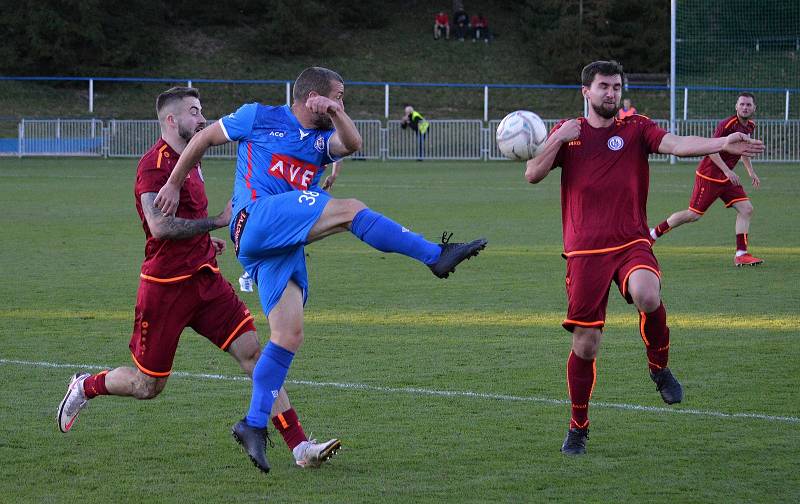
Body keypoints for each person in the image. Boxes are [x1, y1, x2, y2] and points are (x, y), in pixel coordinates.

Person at [153, 67, 487, 474]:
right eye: (338, 97)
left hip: (279, 244)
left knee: (288, 335)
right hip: (252, 219)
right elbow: (205, 138)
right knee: (351, 210)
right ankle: (435, 255)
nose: (341, 104)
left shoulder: (320, 142)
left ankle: (254, 424)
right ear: (311, 96)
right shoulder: (259, 116)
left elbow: (353, 142)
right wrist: (172, 182)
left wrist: (338, 113)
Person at [56, 86, 341, 470]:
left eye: (202, 109)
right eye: (194, 111)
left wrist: (322, 154)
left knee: (254, 354)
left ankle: (299, 447)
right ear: (171, 120)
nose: (202, 118)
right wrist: (216, 222)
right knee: (148, 385)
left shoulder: (191, 160)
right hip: (165, 288)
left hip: (205, 279)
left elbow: (266, 145)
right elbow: (158, 227)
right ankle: (86, 385)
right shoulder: (154, 165)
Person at [523, 61, 764, 456]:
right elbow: (532, 174)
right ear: (586, 91)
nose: (611, 93)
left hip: (631, 241)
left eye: (616, 87)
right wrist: (557, 139)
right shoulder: (568, 134)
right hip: (584, 252)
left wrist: (720, 143)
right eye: (603, 86)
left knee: (648, 293)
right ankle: (578, 425)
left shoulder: (635, 128)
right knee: (586, 345)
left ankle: (658, 367)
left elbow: (675, 143)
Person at [650, 92, 763, 266]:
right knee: (693, 215)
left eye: (748, 105)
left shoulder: (750, 126)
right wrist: (727, 171)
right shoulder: (727, 125)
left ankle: (741, 254)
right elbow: (711, 149)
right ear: (736, 107)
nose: (745, 107)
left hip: (726, 178)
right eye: (742, 104)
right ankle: (652, 236)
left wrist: (751, 172)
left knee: (746, 209)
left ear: (754, 108)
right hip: (709, 176)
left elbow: (744, 151)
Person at [237, 160, 341, 293]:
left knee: (323, 223)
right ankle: (250, 272)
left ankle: (253, 272)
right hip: (288, 194)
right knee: (288, 232)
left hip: (305, 194)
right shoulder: (302, 144)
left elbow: (339, 155)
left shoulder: (323, 143)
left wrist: (333, 175)